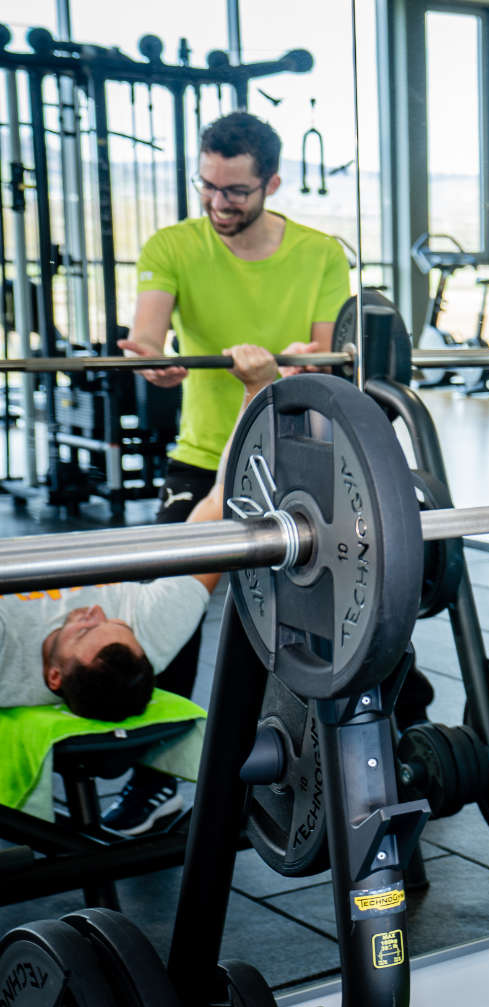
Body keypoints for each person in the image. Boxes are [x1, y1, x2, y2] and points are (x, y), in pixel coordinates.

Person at [111, 111, 348, 830]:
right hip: (205, 454)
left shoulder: (319, 253)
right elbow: (147, 332)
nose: (219, 203)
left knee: (350, 612)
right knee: (163, 606)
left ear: (271, 183)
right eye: (208, 186)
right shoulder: (173, 244)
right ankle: (157, 773)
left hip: (301, 451)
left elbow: (327, 352)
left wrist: (281, 369)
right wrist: (151, 358)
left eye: (237, 190)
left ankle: (385, 736)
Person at [0, 346, 279, 833]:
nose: (93, 611)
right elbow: (221, 505)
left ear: (53, 678)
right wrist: (259, 389)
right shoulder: (149, 630)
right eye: (111, 623)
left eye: (86, 629)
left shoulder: (6, 651)